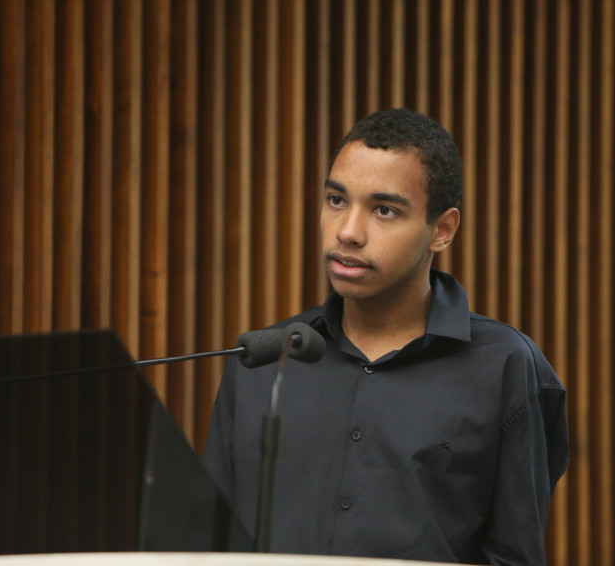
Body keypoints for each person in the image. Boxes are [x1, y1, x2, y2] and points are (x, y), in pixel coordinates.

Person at [203, 108, 569, 565]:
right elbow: (205, 546)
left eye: (383, 210)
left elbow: (515, 556)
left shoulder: (506, 368)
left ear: (442, 230)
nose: (348, 232)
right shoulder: (263, 361)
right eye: (336, 200)